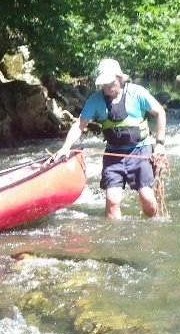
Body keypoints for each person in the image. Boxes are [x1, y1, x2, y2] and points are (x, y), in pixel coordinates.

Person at [55, 58, 167, 219]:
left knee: (147, 198)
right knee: (112, 200)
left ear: (120, 78)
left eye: (110, 82)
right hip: (113, 155)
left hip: (141, 151)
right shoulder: (95, 100)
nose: (106, 87)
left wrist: (160, 144)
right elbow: (79, 125)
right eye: (103, 84)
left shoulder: (137, 93)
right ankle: (115, 239)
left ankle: (153, 227)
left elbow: (160, 113)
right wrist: (66, 146)